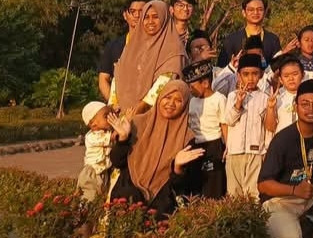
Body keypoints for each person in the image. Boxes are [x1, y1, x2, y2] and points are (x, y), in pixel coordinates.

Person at [106, 80, 206, 215]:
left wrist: (177, 168)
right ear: (160, 98)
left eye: (178, 100)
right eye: (168, 97)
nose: (171, 103)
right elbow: (117, 162)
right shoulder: (136, 124)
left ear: (185, 105)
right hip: (126, 201)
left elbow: (186, 186)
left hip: (160, 210)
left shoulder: (188, 138)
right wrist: (123, 139)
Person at [257, 79, 313, 238]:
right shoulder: (283, 139)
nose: (311, 110)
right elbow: (263, 184)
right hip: (282, 200)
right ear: (295, 105)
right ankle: (278, 226)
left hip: (310, 192)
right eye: (305, 104)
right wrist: (294, 190)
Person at [110, 0, 186, 115]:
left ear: (165, 19)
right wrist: (112, 105)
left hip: (152, 114)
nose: (150, 22)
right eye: (146, 17)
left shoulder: (173, 48)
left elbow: (165, 81)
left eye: (155, 17)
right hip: (120, 113)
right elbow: (119, 74)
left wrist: (139, 109)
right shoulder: (133, 45)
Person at [223, 54, 271, 197]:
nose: (250, 78)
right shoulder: (232, 96)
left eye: (255, 74)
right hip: (234, 152)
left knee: (253, 194)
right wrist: (238, 103)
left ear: (261, 75)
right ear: (239, 76)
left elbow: (268, 129)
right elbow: (229, 120)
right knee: (234, 193)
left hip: (256, 153)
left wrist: (266, 150)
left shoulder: (265, 98)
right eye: (246, 74)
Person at [181, 59, 227, 199]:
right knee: (197, 181)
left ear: (205, 83)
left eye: (192, 86)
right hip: (196, 144)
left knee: (214, 182)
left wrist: (227, 146)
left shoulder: (219, 99)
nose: (190, 89)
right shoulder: (192, 100)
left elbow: (224, 124)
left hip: (214, 144)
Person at [96, 0, 149, 101]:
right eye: (132, 11)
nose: (137, 15)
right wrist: (113, 104)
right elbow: (103, 79)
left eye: (142, 11)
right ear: (125, 15)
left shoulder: (156, 44)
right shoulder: (114, 46)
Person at [217, 0, 281, 68]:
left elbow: (278, 68)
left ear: (265, 12)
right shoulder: (232, 40)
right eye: (251, 10)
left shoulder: (272, 39)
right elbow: (221, 70)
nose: (256, 13)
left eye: (260, 9)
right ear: (244, 13)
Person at [77, 101, 113, 202]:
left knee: (101, 196)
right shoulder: (92, 137)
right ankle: (81, 214)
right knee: (89, 197)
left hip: (102, 171)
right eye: (106, 116)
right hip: (92, 173)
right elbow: (114, 137)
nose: (110, 118)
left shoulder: (105, 131)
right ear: (93, 124)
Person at [264, 56, 305, 136]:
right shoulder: (277, 99)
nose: (291, 78)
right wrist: (270, 108)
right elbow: (270, 127)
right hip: (282, 143)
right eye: (286, 76)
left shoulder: (309, 98)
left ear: (303, 75)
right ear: (280, 79)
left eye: (295, 74)